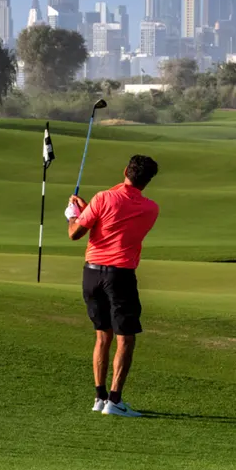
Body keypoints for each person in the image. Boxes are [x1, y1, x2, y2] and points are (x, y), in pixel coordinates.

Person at [64, 154, 160, 418]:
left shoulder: (102, 198)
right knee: (125, 339)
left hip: (92, 274)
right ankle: (115, 402)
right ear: (148, 180)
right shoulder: (151, 208)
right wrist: (89, 211)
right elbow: (117, 219)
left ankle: (99, 398)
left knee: (102, 336)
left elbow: (75, 233)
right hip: (120, 276)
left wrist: (74, 215)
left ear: (125, 170)